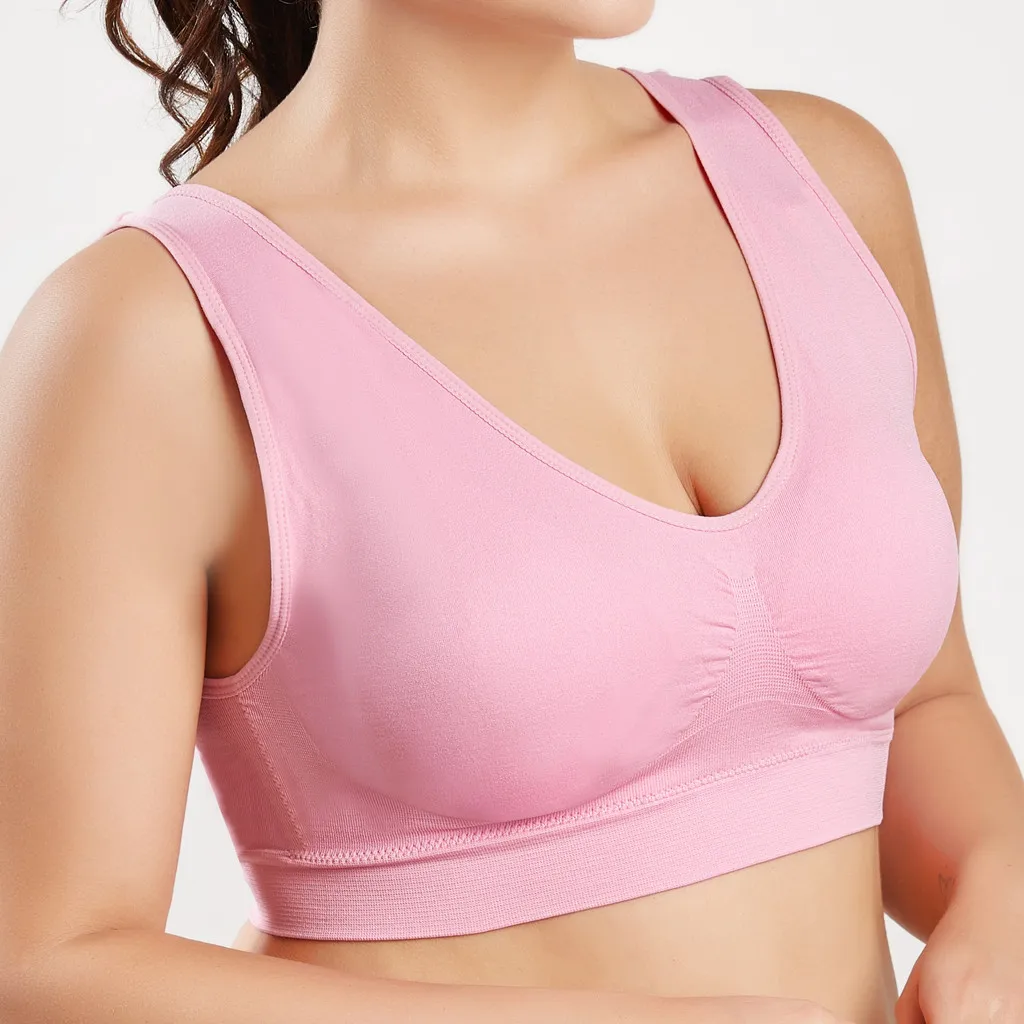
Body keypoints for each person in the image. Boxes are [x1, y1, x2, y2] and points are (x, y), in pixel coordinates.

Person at [2, 2, 1023, 1023]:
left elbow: (922, 701)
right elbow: (44, 962)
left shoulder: (821, 181)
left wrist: (999, 889)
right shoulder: (151, 329)